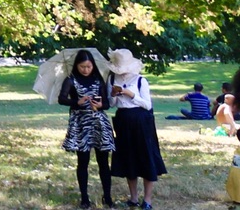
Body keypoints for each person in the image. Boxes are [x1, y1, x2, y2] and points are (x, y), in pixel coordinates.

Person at [107, 49, 165, 209]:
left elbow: (147, 105)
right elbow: (111, 104)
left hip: (141, 120)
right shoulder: (112, 79)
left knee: (145, 157)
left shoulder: (141, 81)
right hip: (123, 120)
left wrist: (131, 94)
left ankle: (147, 200)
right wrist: (113, 95)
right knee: (129, 158)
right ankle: (133, 198)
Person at [59, 50, 116, 208]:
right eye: (82, 66)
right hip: (80, 123)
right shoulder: (70, 80)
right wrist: (76, 101)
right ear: (77, 65)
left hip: (99, 123)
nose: (86, 69)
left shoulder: (98, 80)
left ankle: (107, 196)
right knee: (82, 161)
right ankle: (84, 198)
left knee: (103, 162)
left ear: (93, 65)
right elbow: (61, 99)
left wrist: (100, 105)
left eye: (89, 66)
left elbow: (106, 104)